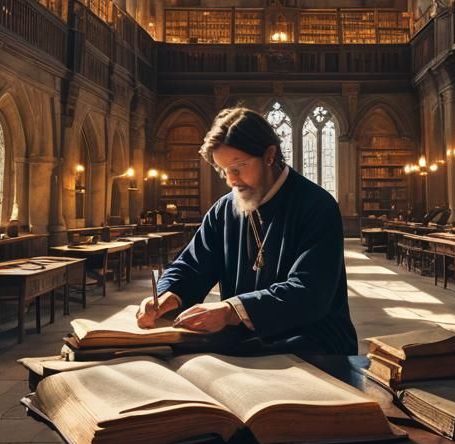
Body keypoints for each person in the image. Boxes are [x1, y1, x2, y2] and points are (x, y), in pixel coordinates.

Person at [137, 107, 357, 354]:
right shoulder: (224, 210)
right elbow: (192, 265)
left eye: (237, 168)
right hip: (247, 340)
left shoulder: (317, 206)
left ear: (269, 156)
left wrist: (232, 310)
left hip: (312, 342)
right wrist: (169, 295)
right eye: (223, 171)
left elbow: (309, 292)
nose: (231, 180)